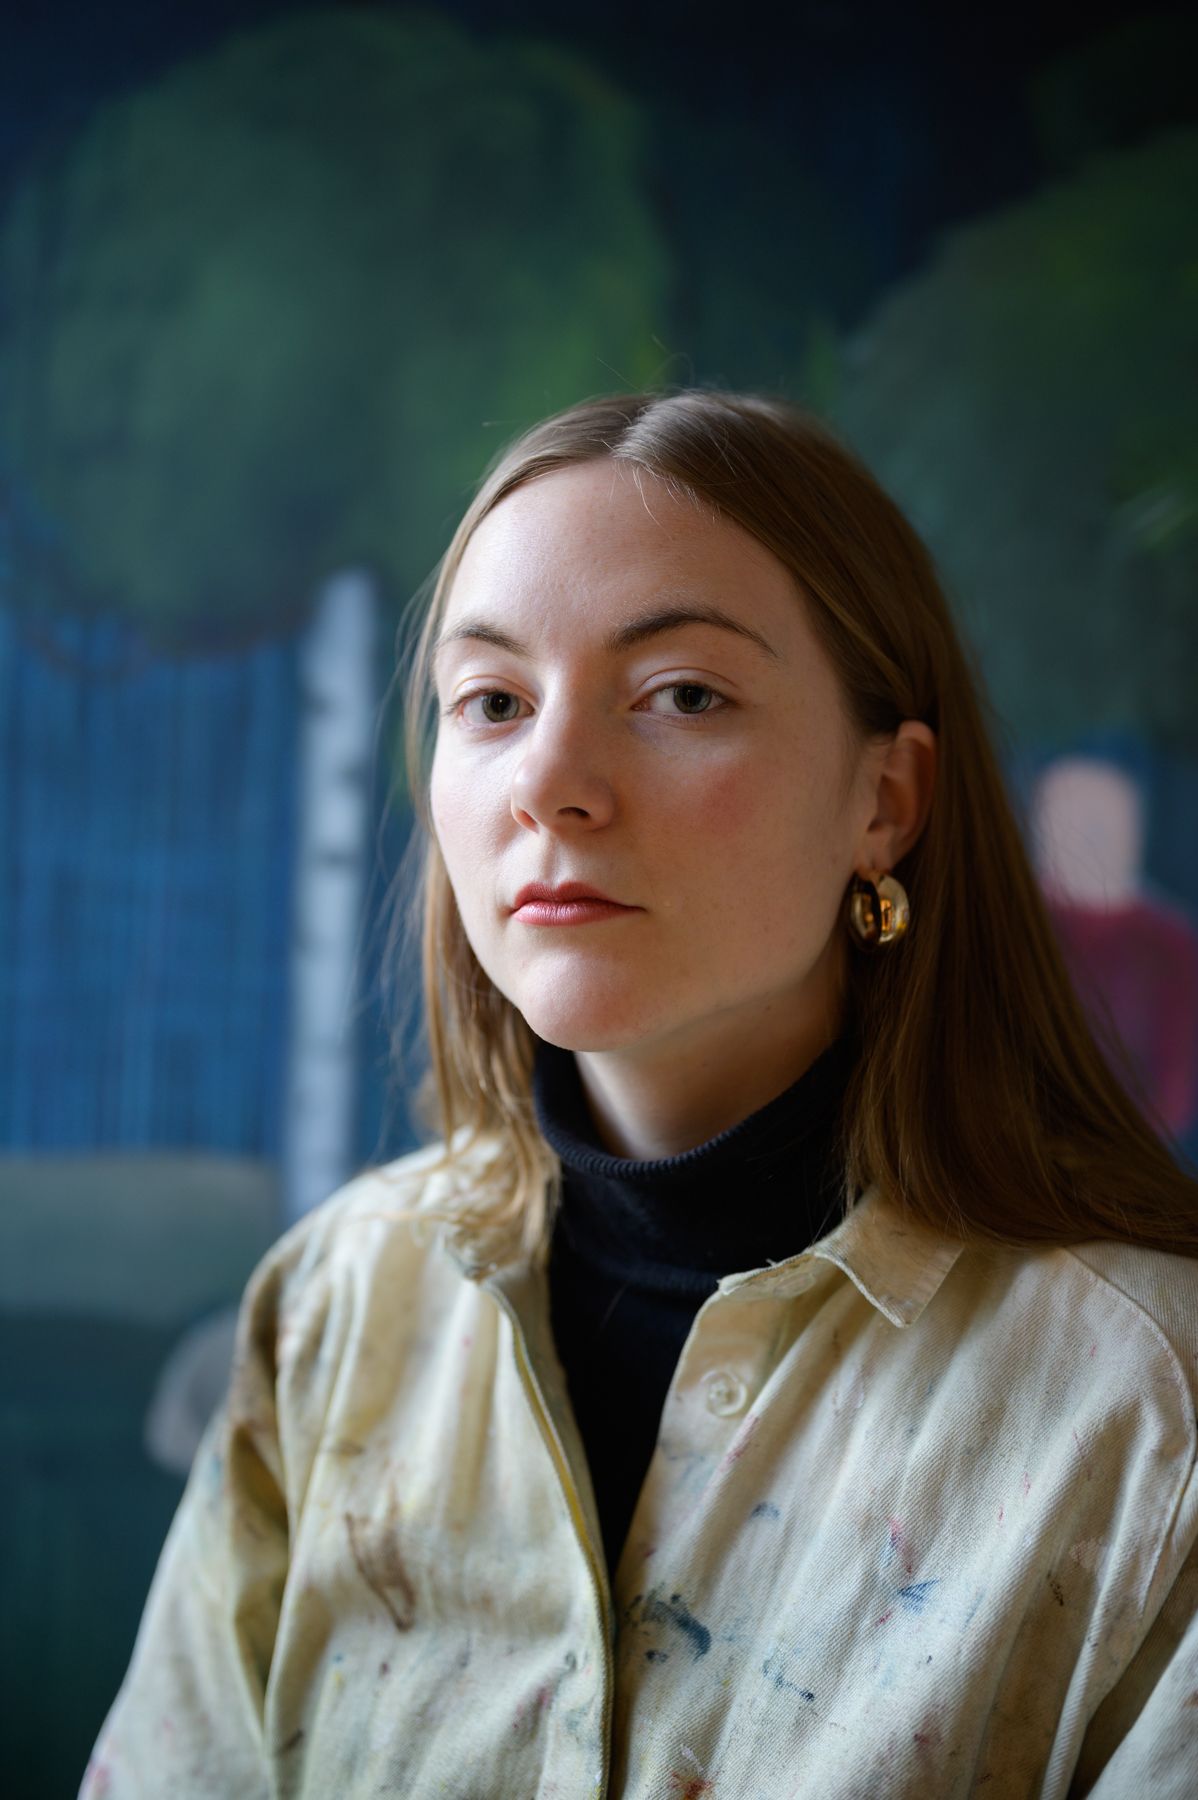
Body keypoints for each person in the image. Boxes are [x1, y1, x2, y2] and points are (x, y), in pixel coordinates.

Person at [81, 390, 1198, 1799]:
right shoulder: (332, 1311)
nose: (549, 783)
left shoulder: (1148, 1412)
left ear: (885, 802)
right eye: (493, 702)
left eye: (682, 695)